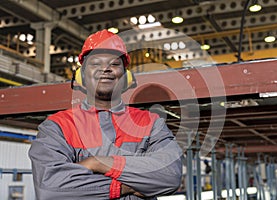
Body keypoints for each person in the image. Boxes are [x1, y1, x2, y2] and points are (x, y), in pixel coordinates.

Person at [29, 29, 183, 200]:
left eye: (114, 64)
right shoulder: (58, 126)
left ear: (126, 77)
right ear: (81, 77)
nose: (105, 69)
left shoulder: (151, 123)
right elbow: (50, 187)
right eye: (95, 63)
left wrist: (98, 163)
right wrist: (123, 187)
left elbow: (170, 175)